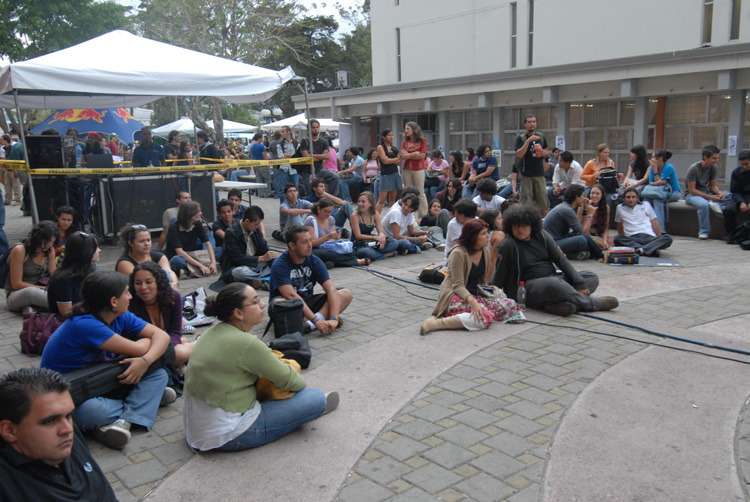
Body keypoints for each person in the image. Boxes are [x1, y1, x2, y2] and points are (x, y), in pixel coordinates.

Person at [182, 282, 338, 452]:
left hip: (196, 431)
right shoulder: (247, 343)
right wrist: (302, 393)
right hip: (229, 434)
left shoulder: (208, 334)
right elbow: (291, 380)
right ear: (238, 313)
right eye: (255, 302)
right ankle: (306, 410)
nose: (263, 304)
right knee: (315, 398)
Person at [40, 272, 174, 449]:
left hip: (101, 380)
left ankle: (124, 421)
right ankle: (144, 403)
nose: (130, 296)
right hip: (70, 394)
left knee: (158, 374)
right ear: (113, 302)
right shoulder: (85, 324)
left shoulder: (120, 315)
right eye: (126, 292)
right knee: (90, 413)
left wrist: (146, 361)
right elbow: (141, 347)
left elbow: (161, 336)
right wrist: (145, 346)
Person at [0, 368, 117, 501]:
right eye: (50, 421)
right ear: (9, 431)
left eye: (69, 416)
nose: (67, 429)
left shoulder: (64, 439)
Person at [493, 204, 618, 317]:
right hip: (526, 288)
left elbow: (560, 259)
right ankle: (592, 304)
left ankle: (554, 305)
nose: (520, 229)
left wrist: (579, 282)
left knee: (590, 278)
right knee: (553, 284)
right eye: (516, 226)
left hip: (554, 280)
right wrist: (493, 297)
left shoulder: (542, 235)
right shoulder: (508, 245)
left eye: (524, 225)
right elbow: (500, 273)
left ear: (532, 225)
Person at [420, 219, 521, 335]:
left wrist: (487, 296)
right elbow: (457, 286)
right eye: (483, 234)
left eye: (487, 232)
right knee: (484, 318)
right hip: (455, 295)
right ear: (473, 237)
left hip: (474, 295)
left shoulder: (484, 251)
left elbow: (483, 282)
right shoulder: (458, 253)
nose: (488, 236)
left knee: (512, 305)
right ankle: (436, 323)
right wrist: (473, 302)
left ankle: (467, 316)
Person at [270, 225, 353, 335]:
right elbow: (291, 295)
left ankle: (309, 325)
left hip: (308, 302)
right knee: (278, 303)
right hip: (290, 304)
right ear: (292, 245)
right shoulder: (280, 264)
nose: (310, 245)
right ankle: (319, 319)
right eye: (304, 242)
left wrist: (334, 318)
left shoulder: (314, 260)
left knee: (345, 294)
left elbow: (331, 290)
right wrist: (317, 321)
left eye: (310, 240)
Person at [129, 261, 194, 367]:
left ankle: (196, 344)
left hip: (160, 347)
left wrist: (166, 346)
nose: (143, 287)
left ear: (158, 282)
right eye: (138, 283)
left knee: (178, 353)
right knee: (178, 353)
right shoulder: (130, 305)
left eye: (149, 282)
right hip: (144, 350)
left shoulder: (173, 297)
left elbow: (175, 331)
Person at [5, 221, 58, 312]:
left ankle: (34, 309)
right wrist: (43, 288)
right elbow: (16, 284)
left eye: (52, 242)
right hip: (18, 293)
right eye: (47, 241)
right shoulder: (20, 250)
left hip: (41, 289)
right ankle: (65, 306)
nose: (50, 245)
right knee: (31, 292)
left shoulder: (49, 250)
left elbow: (53, 275)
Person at [542, 184, 604, 261]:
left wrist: (585, 210)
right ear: (576, 197)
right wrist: (590, 215)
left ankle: (573, 254)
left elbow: (579, 229)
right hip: (552, 245)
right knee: (582, 240)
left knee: (586, 240)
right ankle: (567, 255)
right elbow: (583, 232)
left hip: (557, 240)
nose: (584, 198)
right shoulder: (567, 210)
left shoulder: (565, 207)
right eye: (582, 195)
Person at [220, 206, 278, 285]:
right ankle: (262, 278)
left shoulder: (256, 230)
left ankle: (258, 279)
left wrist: (272, 257)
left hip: (256, 265)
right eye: (256, 224)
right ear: (247, 221)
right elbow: (237, 258)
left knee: (277, 264)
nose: (257, 227)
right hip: (239, 266)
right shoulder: (231, 233)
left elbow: (264, 247)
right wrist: (261, 258)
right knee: (240, 273)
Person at [47, 232, 100, 315]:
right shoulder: (64, 279)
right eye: (95, 248)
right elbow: (66, 313)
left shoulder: (89, 273)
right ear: (85, 251)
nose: (99, 250)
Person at [305, 198, 368, 267]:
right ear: (319, 209)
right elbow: (311, 243)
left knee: (350, 251)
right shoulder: (311, 220)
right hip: (314, 249)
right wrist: (328, 237)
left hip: (327, 247)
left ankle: (328, 262)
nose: (328, 214)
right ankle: (355, 261)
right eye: (326, 211)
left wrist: (336, 236)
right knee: (329, 254)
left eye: (330, 211)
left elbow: (332, 239)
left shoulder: (331, 219)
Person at [116, 223, 179, 289]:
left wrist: (175, 283)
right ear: (131, 243)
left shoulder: (159, 257)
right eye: (141, 241)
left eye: (148, 240)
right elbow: (139, 282)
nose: (146, 244)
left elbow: (169, 272)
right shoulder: (124, 263)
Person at [614, 187, 673, 257]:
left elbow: (654, 222)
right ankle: (650, 249)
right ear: (623, 199)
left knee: (668, 238)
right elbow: (620, 225)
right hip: (632, 237)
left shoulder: (646, 205)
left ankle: (640, 250)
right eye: (628, 197)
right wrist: (623, 236)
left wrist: (659, 238)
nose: (631, 199)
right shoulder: (620, 208)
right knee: (618, 238)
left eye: (633, 197)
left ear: (637, 198)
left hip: (649, 236)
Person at [165, 201, 217, 278]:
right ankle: (200, 267)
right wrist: (200, 265)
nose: (200, 213)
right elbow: (179, 252)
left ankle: (192, 269)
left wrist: (213, 262)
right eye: (198, 211)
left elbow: (207, 242)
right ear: (190, 213)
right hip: (182, 256)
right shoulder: (174, 228)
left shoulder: (197, 224)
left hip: (194, 254)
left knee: (219, 249)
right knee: (176, 260)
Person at [685, 145, 724, 239]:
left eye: (718, 158)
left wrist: (719, 193)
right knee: (703, 205)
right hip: (692, 195)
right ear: (705, 157)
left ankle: (712, 202)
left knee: (728, 196)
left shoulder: (713, 167)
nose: (716, 160)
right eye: (714, 158)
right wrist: (710, 197)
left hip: (706, 192)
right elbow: (692, 190)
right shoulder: (693, 168)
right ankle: (704, 231)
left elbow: (713, 186)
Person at [515, 115, 549, 213]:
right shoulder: (521, 138)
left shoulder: (541, 137)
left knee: (543, 202)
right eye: (529, 122)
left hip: (539, 173)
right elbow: (519, 154)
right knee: (525, 204)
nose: (532, 124)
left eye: (534, 122)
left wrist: (544, 153)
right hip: (526, 174)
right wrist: (528, 141)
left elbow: (546, 152)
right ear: (525, 124)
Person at [641, 149, 682, 232]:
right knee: (646, 200)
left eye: (653, 157)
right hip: (658, 191)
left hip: (673, 192)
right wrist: (656, 181)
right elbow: (651, 183)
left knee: (657, 199)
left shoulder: (668, 167)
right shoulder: (652, 168)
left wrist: (656, 171)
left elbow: (660, 183)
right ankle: (645, 227)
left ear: (660, 158)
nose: (651, 160)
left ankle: (660, 229)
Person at [351, 191, 399, 261]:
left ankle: (376, 254)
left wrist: (382, 238)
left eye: (363, 202)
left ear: (370, 204)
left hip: (371, 242)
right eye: (359, 201)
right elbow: (358, 236)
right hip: (359, 244)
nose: (360, 204)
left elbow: (380, 231)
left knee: (394, 242)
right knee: (367, 252)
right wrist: (375, 237)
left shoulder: (375, 214)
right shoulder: (355, 216)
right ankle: (386, 255)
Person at [300, 119, 340, 198]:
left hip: (320, 170)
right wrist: (321, 155)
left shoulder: (324, 141)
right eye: (313, 127)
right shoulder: (305, 141)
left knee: (335, 177)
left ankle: (332, 199)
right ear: (309, 129)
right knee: (309, 192)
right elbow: (306, 156)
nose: (316, 129)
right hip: (308, 171)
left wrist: (313, 156)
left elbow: (327, 156)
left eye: (317, 127)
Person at [400, 122, 429, 218]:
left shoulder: (422, 140)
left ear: (414, 130)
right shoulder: (404, 142)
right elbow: (402, 155)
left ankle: (422, 216)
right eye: (405, 129)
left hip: (419, 169)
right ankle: (406, 214)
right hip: (407, 168)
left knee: (420, 192)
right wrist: (414, 154)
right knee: (407, 192)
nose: (406, 131)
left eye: (408, 128)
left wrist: (409, 154)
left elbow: (422, 155)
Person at [375, 129, 402, 214]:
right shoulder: (380, 147)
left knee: (393, 198)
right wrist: (394, 159)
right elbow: (384, 161)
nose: (391, 137)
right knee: (381, 199)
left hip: (394, 173)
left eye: (392, 135)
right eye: (389, 135)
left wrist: (390, 160)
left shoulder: (394, 148)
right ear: (384, 137)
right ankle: (375, 219)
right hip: (385, 175)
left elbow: (399, 162)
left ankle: (391, 217)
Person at [724, 150, 750, 236]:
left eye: (746, 164)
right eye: (742, 164)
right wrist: (741, 202)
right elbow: (735, 191)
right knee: (728, 210)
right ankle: (732, 234)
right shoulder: (736, 173)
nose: (744, 167)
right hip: (740, 196)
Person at [478, 208, 506, 279]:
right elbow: (493, 259)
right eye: (499, 219)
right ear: (492, 221)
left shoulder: (481, 233)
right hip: (491, 272)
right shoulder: (499, 235)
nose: (502, 221)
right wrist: (486, 281)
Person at [582, 184, 611, 250]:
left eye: (597, 194)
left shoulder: (606, 207)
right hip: (586, 234)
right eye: (592, 193)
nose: (594, 196)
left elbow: (606, 227)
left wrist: (605, 240)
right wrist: (586, 210)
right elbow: (579, 226)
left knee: (604, 244)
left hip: (598, 234)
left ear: (602, 195)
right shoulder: (582, 206)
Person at [275, 126, 300, 197]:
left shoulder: (296, 143)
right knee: (282, 189)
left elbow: (298, 157)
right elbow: (281, 157)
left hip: (294, 169)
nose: (281, 133)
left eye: (283, 132)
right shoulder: (280, 144)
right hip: (283, 169)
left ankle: (297, 205)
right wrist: (293, 155)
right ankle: (284, 206)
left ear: (288, 132)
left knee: (296, 188)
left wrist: (287, 155)